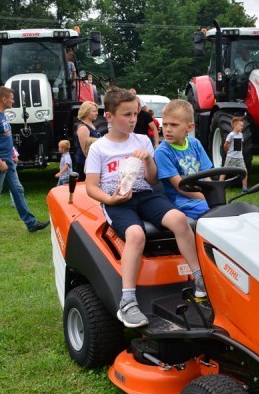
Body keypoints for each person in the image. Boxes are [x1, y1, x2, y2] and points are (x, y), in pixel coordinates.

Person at [84, 88, 206, 328]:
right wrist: (110, 200)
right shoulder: (100, 148)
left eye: (135, 114)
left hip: (146, 194)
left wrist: (148, 160)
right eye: (126, 115)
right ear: (109, 117)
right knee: (136, 234)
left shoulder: (141, 140)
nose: (132, 120)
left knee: (179, 220)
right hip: (117, 200)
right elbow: (91, 187)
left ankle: (200, 279)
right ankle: (128, 300)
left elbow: (152, 180)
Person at [0, 85, 50, 235]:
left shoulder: (3, 114)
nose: (13, 101)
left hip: (8, 161)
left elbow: (5, 137)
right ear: (4, 99)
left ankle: (31, 224)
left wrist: (13, 153)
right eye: (11, 99)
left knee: (18, 190)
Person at [154, 99, 213, 219]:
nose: (168, 129)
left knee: (228, 211)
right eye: (165, 124)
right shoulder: (162, 152)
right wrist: (208, 198)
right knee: (213, 214)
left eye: (174, 125)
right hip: (182, 201)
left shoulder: (195, 144)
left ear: (189, 127)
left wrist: (214, 194)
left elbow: (206, 176)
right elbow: (180, 188)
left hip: (200, 197)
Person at [220, 116, 249, 192]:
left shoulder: (241, 135)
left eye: (242, 126)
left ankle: (245, 188)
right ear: (235, 125)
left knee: (244, 172)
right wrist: (228, 152)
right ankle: (219, 186)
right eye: (240, 125)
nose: (242, 127)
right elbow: (226, 145)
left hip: (240, 158)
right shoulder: (231, 135)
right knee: (224, 171)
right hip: (231, 157)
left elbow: (240, 145)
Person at [74, 100, 101, 178]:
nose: (97, 113)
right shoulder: (83, 128)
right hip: (84, 164)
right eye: (94, 111)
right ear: (86, 112)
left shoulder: (91, 125)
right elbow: (86, 150)